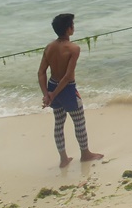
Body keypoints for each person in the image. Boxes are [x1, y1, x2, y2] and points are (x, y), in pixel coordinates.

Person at [37, 13, 104, 168]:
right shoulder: (74, 48)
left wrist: (47, 94)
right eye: (72, 25)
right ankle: (85, 154)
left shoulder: (49, 47)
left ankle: (63, 159)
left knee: (59, 123)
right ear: (69, 29)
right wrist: (53, 94)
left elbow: (41, 72)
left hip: (53, 85)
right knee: (79, 122)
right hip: (66, 90)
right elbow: (67, 77)